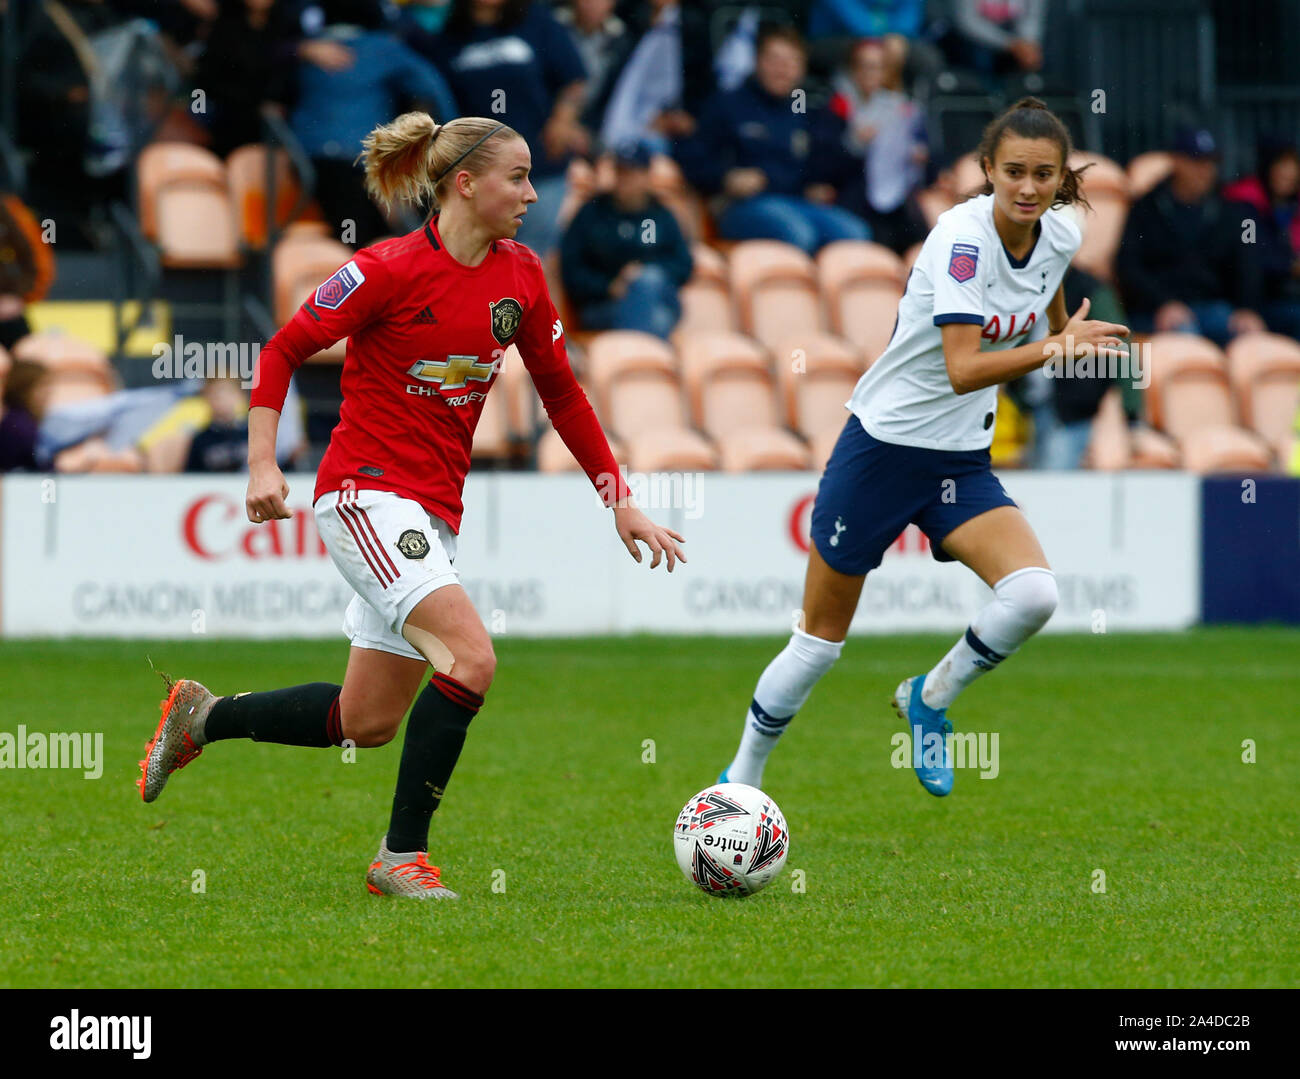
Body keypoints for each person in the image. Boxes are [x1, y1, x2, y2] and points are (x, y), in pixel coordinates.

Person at [138, 112, 685, 899]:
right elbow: (283, 347)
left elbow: (563, 393)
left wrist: (619, 500)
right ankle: (401, 857)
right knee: (472, 659)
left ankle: (204, 715)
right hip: (365, 493)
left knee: (365, 722)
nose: (533, 193)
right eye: (518, 177)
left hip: (431, 513)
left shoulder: (523, 274)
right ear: (466, 183)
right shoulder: (386, 270)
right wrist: (262, 463)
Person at [718, 98, 1128, 797]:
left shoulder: (1058, 236)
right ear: (988, 170)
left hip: (960, 460)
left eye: (1044, 175)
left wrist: (1067, 342)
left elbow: (1052, 327)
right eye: (1015, 172)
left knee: (1033, 594)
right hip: (882, 450)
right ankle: (741, 780)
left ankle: (928, 700)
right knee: (819, 641)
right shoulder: (958, 241)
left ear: (1061, 180)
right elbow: (966, 365)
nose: (1028, 187)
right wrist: (1052, 347)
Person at [410, 0, 590, 256]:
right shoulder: (447, 37)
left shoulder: (536, 20)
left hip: (540, 161)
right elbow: (433, 99)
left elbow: (573, 79)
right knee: (484, 254)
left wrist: (563, 119)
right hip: (480, 169)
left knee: (533, 255)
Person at [676, 24, 868, 254]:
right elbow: (690, 158)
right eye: (775, 60)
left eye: (791, 62)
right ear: (758, 61)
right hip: (742, 205)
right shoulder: (729, 103)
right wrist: (726, 178)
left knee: (855, 233)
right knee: (799, 233)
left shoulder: (804, 108)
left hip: (796, 202)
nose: (783, 69)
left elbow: (822, 161)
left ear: (802, 69)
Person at [1115, 127, 1266, 348]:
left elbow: (1247, 265)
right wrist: (1163, 303)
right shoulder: (1146, 209)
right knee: (1186, 337)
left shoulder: (1227, 210)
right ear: (1176, 162)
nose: (1205, 170)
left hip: (1214, 308)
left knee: (1251, 341)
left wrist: (1247, 309)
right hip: (1158, 312)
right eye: (1197, 162)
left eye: (1211, 162)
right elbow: (1128, 266)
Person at [559, 140, 693, 339]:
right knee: (658, 320)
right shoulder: (592, 212)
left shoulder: (662, 214)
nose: (624, 179)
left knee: (648, 281)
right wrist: (610, 286)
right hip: (604, 304)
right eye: (620, 171)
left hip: (658, 297)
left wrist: (642, 273)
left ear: (647, 175)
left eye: (632, 172)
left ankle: (638, 354)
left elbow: (684, 265)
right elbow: (571, 268)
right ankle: (648, 359)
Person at [1221, 137, 1300, 341]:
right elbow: (1250, 256)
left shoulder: (1287, 205)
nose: (1289, 173)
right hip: (1253, 302)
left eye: (1293, 166)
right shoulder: (1246, 208)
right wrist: (1290, 266)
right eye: (1282, 165)